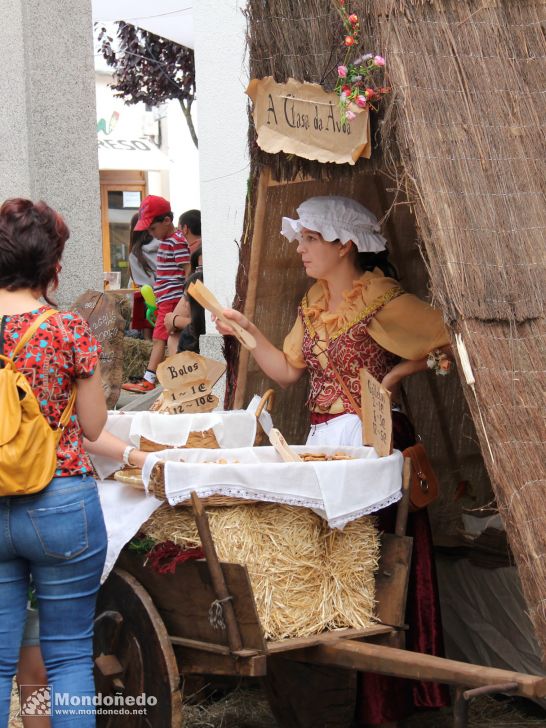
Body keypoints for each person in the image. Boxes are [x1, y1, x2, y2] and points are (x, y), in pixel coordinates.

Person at [216, 196, 451, 727]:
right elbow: (287, 373)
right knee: (337, 561)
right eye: (300, 239)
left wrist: (392, 378)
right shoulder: (313, 303)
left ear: (345, 245)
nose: (299, 249)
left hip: (373, 441)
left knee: (374, 561)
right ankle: (337, 689)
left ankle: (385, 700)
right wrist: (246, 331)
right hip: (325, 441)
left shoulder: (384, 299)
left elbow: (448, 339)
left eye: (310, 239)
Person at [0, 198, 108, 726]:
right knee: (67, 657)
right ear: (52, 264)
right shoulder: (67, 330)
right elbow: (92, 428)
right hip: (63, 500)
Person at [121, 195, 190, 393]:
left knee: (160, 338)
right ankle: (172, 377)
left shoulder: (175, 241)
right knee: (168, 338)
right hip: (166, 298)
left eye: (152, 229)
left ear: (167, 221)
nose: (151, 234)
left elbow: (187, 270)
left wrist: (184, 298)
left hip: (172, 298)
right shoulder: (168, 240)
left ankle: (150, 379)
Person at [164, 245, 205, 356]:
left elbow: (208, 326)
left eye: (205, 269)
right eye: (199, 268)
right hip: (189, 360)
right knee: (174, 337)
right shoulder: (194, 287)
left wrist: (176, 321)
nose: (201, 274)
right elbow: (169, 326)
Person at [127, 212, 160, 340]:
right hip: (171, 296)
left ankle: (148, 343)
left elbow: (144, 285)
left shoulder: (135, 254)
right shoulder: (164, 244)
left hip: (151, 303)